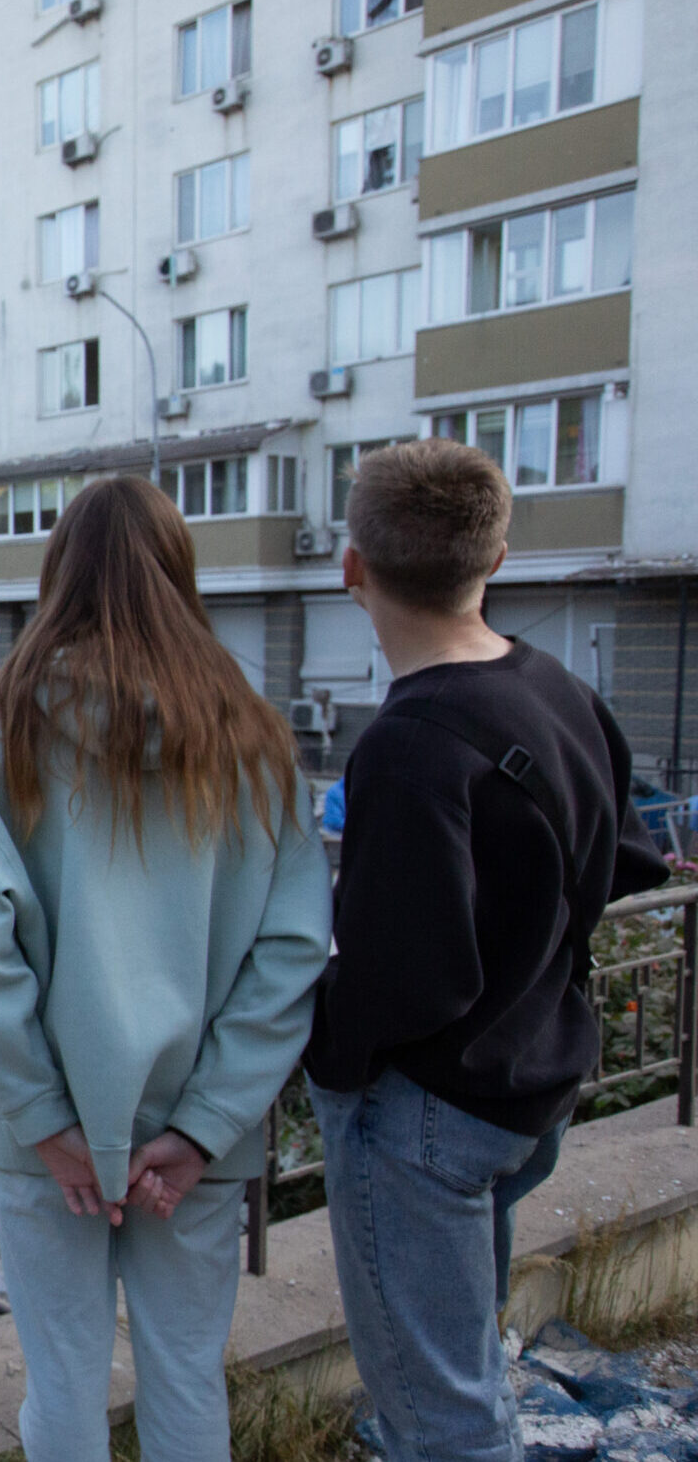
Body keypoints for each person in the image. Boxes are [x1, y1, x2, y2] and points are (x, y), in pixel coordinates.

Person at [0, 476, 329, 1462]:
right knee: (185, 1379)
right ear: (179, 573)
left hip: (49, 1143)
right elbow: (290, 952)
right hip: (193, 1146)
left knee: (62, 1388)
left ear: (57, 572)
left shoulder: (6, 722)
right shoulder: (251, 736)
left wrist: (47, 1122)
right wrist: (203, 1126)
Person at [306, 441, 668, 1462]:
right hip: (529, 1085)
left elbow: (407, 975)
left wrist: (322, 1042)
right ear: (496, 558)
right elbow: (626, 858)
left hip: (430, 1116)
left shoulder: (411, 741)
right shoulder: (553, 688)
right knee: (470, 1371)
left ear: (351, 569)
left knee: (441, 1421)